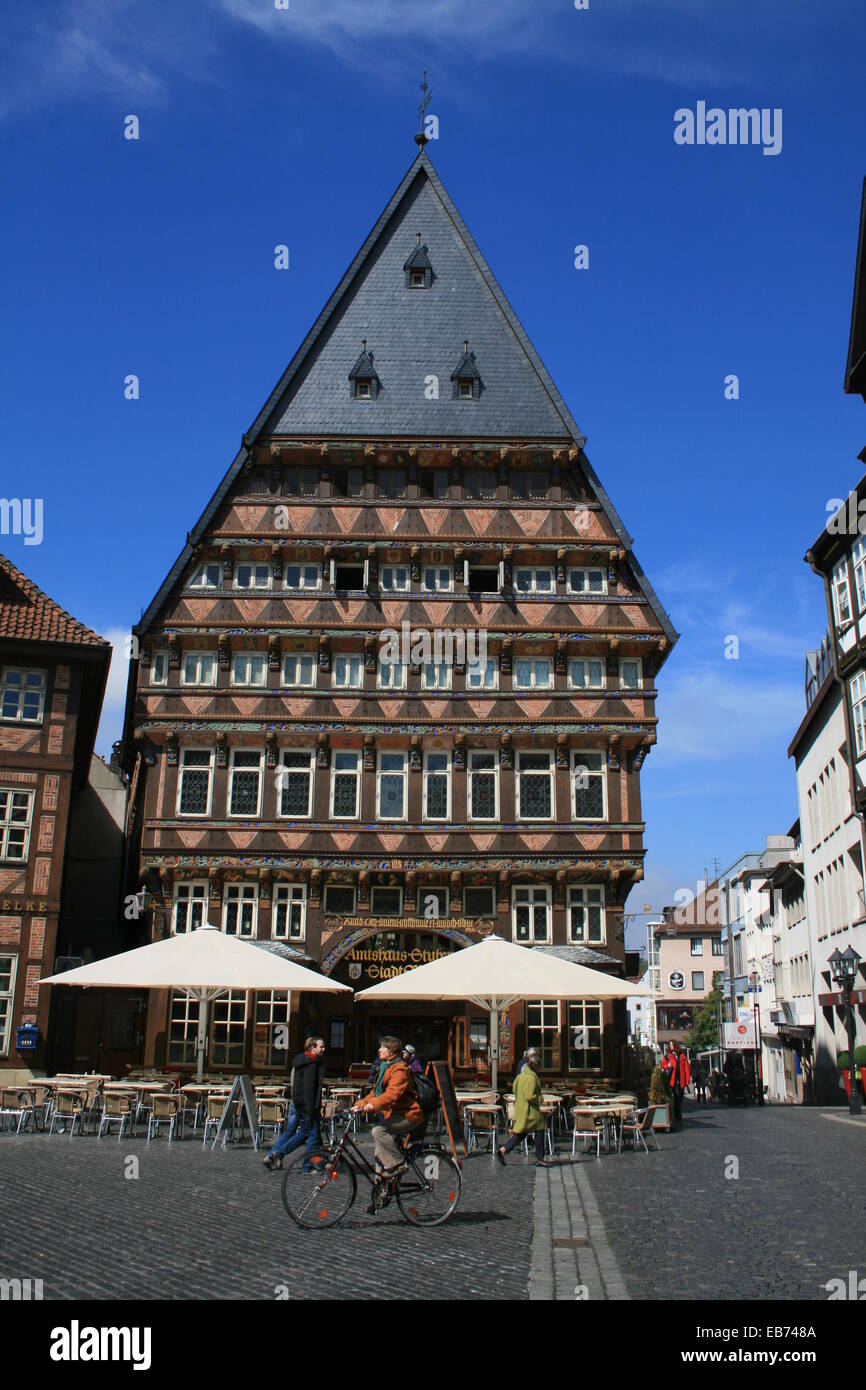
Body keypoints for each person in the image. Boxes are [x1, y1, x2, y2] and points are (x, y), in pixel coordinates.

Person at [351, 1035, 424, 1177]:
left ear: (390, 1052)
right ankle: (381, 1187)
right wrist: (360, 1105)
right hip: (392, 1114)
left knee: (378, 1131)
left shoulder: (400, 1069)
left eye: (382, 1048)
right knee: (380, 1152)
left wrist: (373, 1105)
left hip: (408, 1114)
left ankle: (399, 1163)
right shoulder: (385, 1067)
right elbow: (376, 1093)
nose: (379, 1050)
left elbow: (392, 1094)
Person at [263, 1036, 325, 1171]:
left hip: (299, 1104)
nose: (323, 1049)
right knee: (311, 1135)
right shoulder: (311, 1064)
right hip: (307, 1107)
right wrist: (311, 1109)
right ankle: (307, 1166)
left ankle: (317, 1162)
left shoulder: (302, 1061)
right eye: (321, 1047)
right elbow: (308, 1089)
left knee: (303, 1134)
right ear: (313, 1048)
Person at [496, 1049, 550, 1167]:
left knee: (522, 1133)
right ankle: (540, 1158)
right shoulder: (531, 1077)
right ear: (535, 1066)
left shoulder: (521, 1076)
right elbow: (530, 1096)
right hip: (530, 1110)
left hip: (521, 1108)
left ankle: (503, 1150)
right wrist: (540, 1098)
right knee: (540, 1128)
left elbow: (515, 1089)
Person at [661, 1042, 690, 1123]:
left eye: (672, 1044)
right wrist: (668, 1065)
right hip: (672, 1080)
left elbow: (686, 1069)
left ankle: (678, 1113)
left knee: (680, 1097)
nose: (671, 1046)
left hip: (681, 1080)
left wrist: (687, 1080)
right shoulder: (668, 1056)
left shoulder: (682, 1056)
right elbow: (663, 1065)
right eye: (670, 1045)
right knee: (674, 1097)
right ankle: (676, 1115)